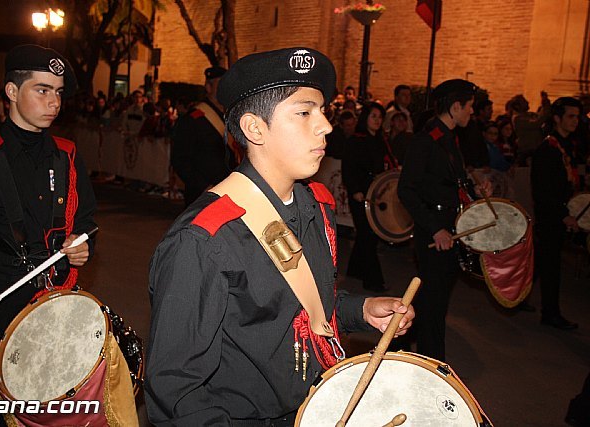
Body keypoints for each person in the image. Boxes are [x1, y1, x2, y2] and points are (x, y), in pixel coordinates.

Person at [146, 47, 415, 426]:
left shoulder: (314, 206)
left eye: (322, 111)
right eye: (304, 113)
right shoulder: (204, 239)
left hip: (315, 407)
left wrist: (359, 311)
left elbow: (297, 309)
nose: (325, 125)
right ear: (255, 128)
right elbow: (176, 389)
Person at [0, 44, 97, 427]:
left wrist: (83, 246)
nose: (54, 102)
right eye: (42, 90)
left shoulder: (67, 154)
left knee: (54, 412)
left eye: (59, 92)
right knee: (0, 414)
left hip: (55, 305)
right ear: (12, 92)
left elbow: (86, 223)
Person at [398, 79, 489, 361]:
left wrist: (476, 190)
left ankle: (401, 343)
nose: (472, 113)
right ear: (456, 106)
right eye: (470, 107)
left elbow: (449, 182)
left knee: (432, 298)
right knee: (434, 301)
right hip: (434, 229)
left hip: (450, 225)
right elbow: (406, 190)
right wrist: (435, 228)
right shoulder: (425, 141)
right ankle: (432, 361)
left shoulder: (449, 139)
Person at [531, 96, 582, 330]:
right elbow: (543, 190)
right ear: (557, 118)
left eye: (577, 116)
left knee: (542, 263)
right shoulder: (548, 149)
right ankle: (550, 313)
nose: (576, 121)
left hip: (558, 213)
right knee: (551, 266)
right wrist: (563, 214)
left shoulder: (564, 146)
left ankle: (518, 299)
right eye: (571, 116)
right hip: (550, 216)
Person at [342, 102, 394, 293]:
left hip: (375, 194)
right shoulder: (356, 140)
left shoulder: (380, 140)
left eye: (380, 117)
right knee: (368, 235)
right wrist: (355, 189)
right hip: (360, 194)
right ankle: (373, 281)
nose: (377, 120)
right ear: (366, 118)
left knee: (366, 235)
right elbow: (348, 167)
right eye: (373, 116)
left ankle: (355, 271)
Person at [171, 66, 238, 206]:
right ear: (208, 87)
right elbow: (180, 159)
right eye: (220, 85)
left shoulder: (233, 116)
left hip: (233, 191)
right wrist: (204, 187)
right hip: (204, 195)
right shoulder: (194, 119)